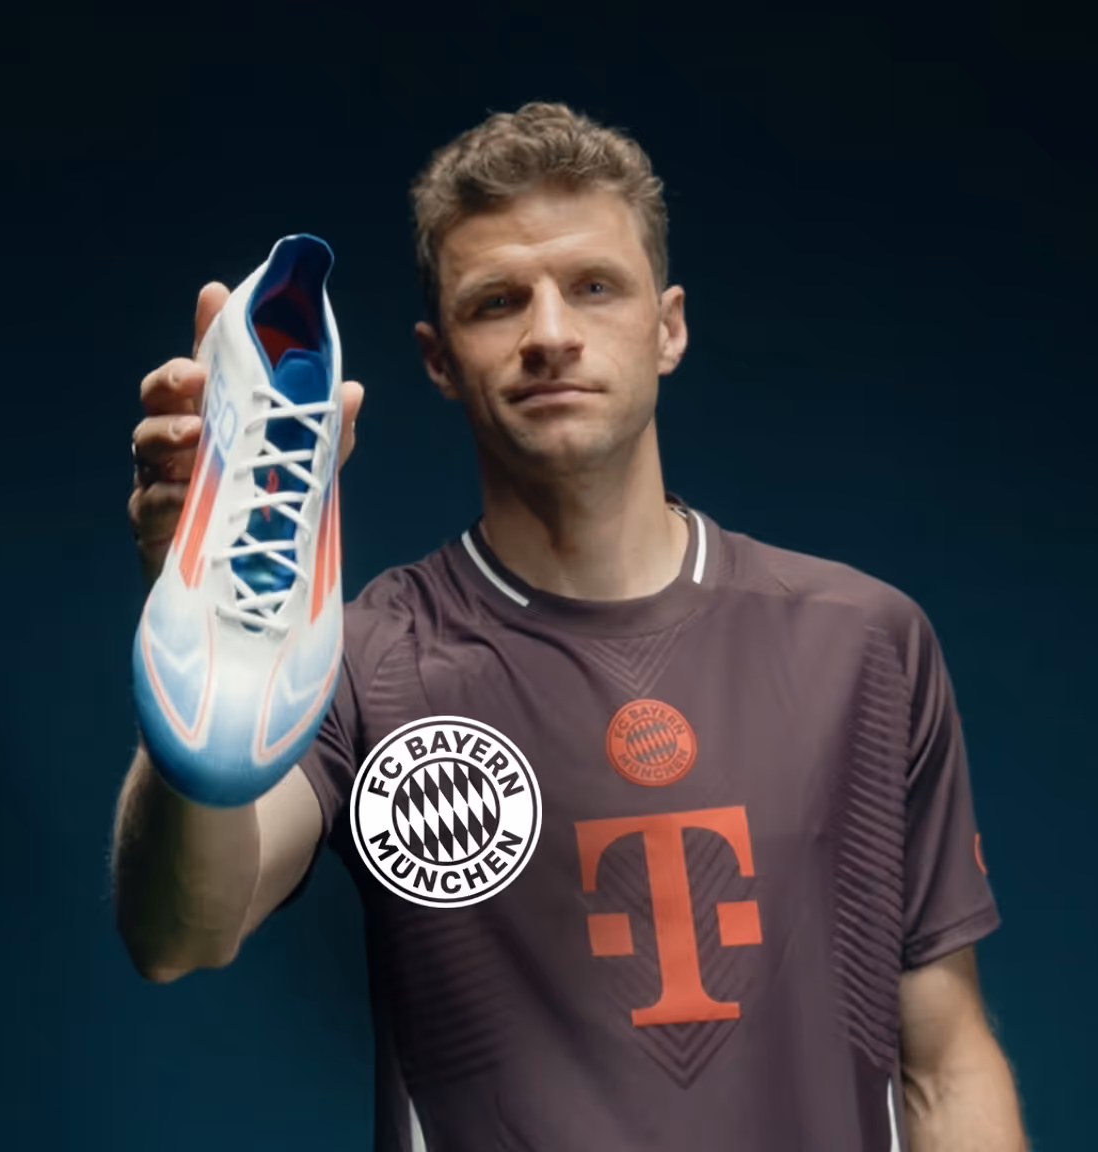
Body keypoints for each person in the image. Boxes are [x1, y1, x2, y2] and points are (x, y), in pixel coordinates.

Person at [113, 102, 1028, 1152]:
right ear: (436, 358)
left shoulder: (862, 641)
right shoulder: (364, 662)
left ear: (668, 325)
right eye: (497, 301)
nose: (549, 333)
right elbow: (178, 935)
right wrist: (212, 652)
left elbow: (943, 1061)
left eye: (592, 286)